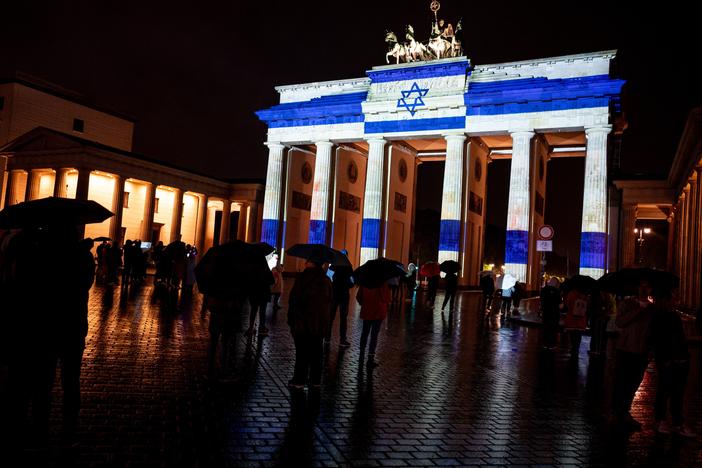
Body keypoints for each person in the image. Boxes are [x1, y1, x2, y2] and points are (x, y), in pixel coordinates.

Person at [611, 279, 655, 430]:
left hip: (642, 351)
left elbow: (653, 331)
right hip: (625, 349)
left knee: (634, 382)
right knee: (621, 382)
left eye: (647, 286)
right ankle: (617, 412)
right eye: (641, 286)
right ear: (636, 288)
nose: (644, 289)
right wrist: (638, 311)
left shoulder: (652, 309)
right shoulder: (628, 303)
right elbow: (620, 322)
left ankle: (625, 411)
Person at [651, 288, 696, 437]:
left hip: (681, 358)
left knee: (678, 393)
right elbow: (658, 340)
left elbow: (680, 337)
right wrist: (664, 359)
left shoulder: (674, 316)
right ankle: (660, 420)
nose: (675, 301)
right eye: (672, 298)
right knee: (664, 391)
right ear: (665, 300)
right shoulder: (658, 317)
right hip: (668, 360)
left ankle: (678, 423)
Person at [287, 259, 332, 390]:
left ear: (311, 263)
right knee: (317, 352)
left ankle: (299, 380)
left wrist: (292, 319)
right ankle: (315, 380)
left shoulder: (303, 279)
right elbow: (330, 301)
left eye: (307, 261)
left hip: (302, 322)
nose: (305, 262)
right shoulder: (326, 281)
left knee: (301, 352)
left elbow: (293, 300)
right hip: (319, 324)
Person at [357, 280, 391, 368]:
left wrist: (364, 303)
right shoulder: (383, 282)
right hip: (378, 311)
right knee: (374, 335)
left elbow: (359, 297)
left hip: (367, 310)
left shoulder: (365, 281)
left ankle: (361, 353)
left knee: (364, 332)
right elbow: (386, 298)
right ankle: (370, 357)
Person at [328, 265, 353, 347]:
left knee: (330, 317)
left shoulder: (333, 266)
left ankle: (327, 338)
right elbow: (351, 283)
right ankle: (342, 340)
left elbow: (328, 277)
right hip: (344, 295)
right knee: (343, 318)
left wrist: (333, 282)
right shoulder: (348, 268)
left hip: (334, 294)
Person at [563, 287, 589, 357]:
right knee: (578, 335)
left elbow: (567, 303)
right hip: (581, 319)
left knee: (572, 334)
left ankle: (573, 348)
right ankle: (576, 348)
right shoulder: (586, 295)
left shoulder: (571, 293)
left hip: (572, 318)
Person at [540, 278, 562, 350]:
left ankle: (545, 343)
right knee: (552, 329)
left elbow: (541, 300)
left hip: (546, 312)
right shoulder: (556, 291)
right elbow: (560, 304)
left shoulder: (544, 290)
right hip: (554, 313)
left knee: (546, 328)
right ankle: (551, 344)